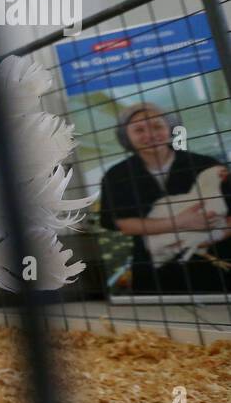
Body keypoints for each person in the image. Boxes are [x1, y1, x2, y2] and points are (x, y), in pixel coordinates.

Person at [98, 103, 231, 294]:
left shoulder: (206, 165)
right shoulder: (116, 175)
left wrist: (209, 238)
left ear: (170, 128)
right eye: (139, 130)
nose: (150, 135)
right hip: (156, 273)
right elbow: (122, 223)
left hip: (215, 268)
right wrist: (182, 222)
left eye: (157, 126)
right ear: (126, 136)